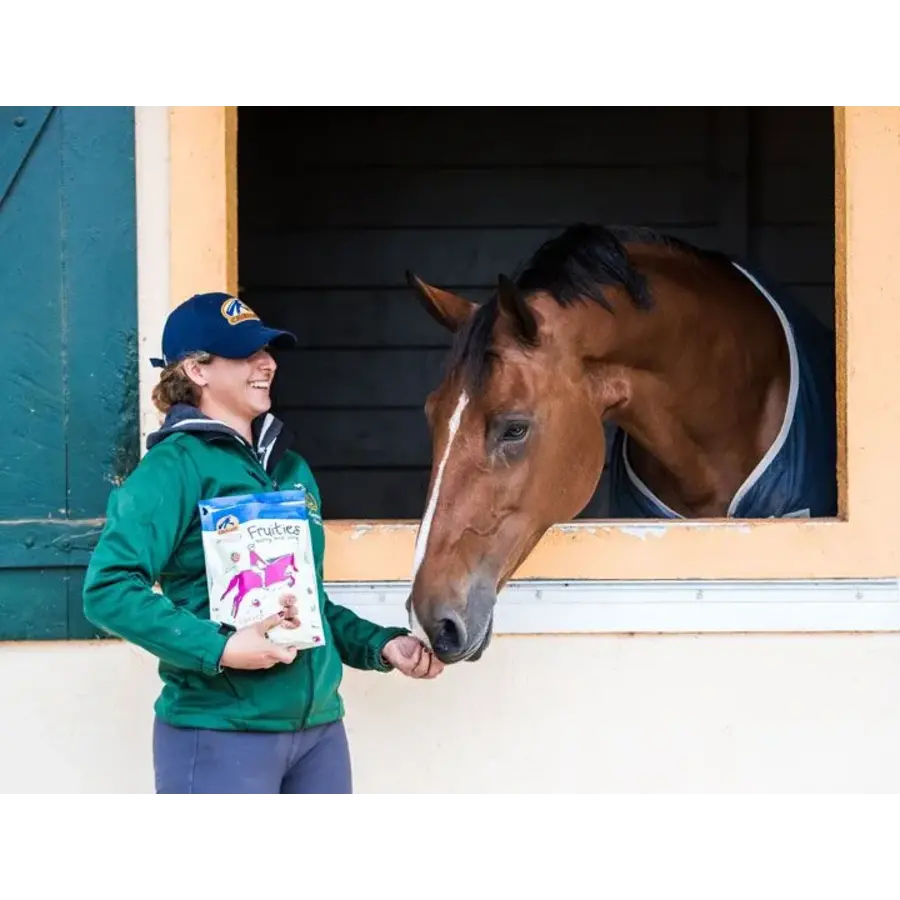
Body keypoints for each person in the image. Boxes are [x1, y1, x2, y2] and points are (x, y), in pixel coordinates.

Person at [82, 291, 444, 800]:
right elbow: (109, 590)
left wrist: (382, 645)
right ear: (197, 370)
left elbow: (306, 603)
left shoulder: (290, 469)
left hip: (318, 731)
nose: (267, 363)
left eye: (268, 351)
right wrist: (223, 647)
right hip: (219, 734)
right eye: (245, 352)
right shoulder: (172, 469)